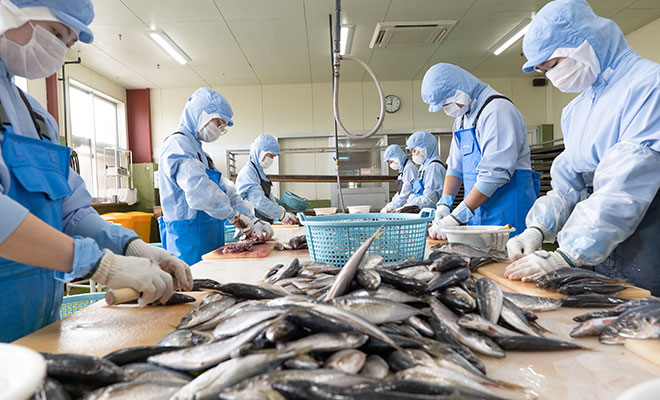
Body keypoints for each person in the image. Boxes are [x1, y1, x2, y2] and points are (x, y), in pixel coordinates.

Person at [0, 0, 192, 342]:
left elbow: (69, 210)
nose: (58, 50)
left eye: (68, 43)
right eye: (56, 33)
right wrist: (98, 264)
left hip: (36, 323)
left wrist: (131, 246)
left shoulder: (35, 116)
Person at [504, 0, 660, 295]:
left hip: (648, 238)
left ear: (586, 44)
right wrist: (539, 228)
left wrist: (568, 253)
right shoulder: (576, 110)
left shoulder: (649, 86)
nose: (552, 76)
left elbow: (625, 187)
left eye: (554, 65)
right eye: (544, 71)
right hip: (596, 245)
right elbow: (569, 185)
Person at [422, 64, 540, 240]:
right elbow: (455, 168)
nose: (447, 109)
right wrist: (444, 204)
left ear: (460, 90)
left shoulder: (497, 110)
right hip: (477, 212)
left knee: (508, 261)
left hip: (506, 211)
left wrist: (455, 217)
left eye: (447, 103)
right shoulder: (461, 119)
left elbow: (494, 174)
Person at [159, 88, 274, 266]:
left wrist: (251, 219)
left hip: (210, 237)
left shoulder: (202, 154)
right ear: (201, 115)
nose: (220, 130)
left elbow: (226, 190)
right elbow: (200, 190)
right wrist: (234, 217)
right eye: (218, 123)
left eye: (223, 127)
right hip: (187, 241)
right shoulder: (178, 145)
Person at [236, 134, 296, 224]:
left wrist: (280, 210)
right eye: (270, 156)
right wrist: (280, 214)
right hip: (252, 224)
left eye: (273, 157)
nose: (271, 159)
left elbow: (268, 197)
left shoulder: (259, 172)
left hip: (263, 222)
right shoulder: (248, 172)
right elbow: (258, 200)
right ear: (260, 152)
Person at [402, 131, 446, 210]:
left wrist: (408, 207)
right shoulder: (424, 167)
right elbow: (417, 193)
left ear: (424, 149)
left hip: (433, 214)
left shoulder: (434, 167)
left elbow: (429, 200)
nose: (413, 155)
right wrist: (407, 205)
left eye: (414, 151)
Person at [380, 144, 418, 213]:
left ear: (397, 158)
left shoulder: (409, 168)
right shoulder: (402, 170)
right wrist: (390, 205)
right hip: (405, 206)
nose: (390, 165)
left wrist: (391, 207)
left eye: (391, 162)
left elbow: (405, 194)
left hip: (411, 207)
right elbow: (399, 193)